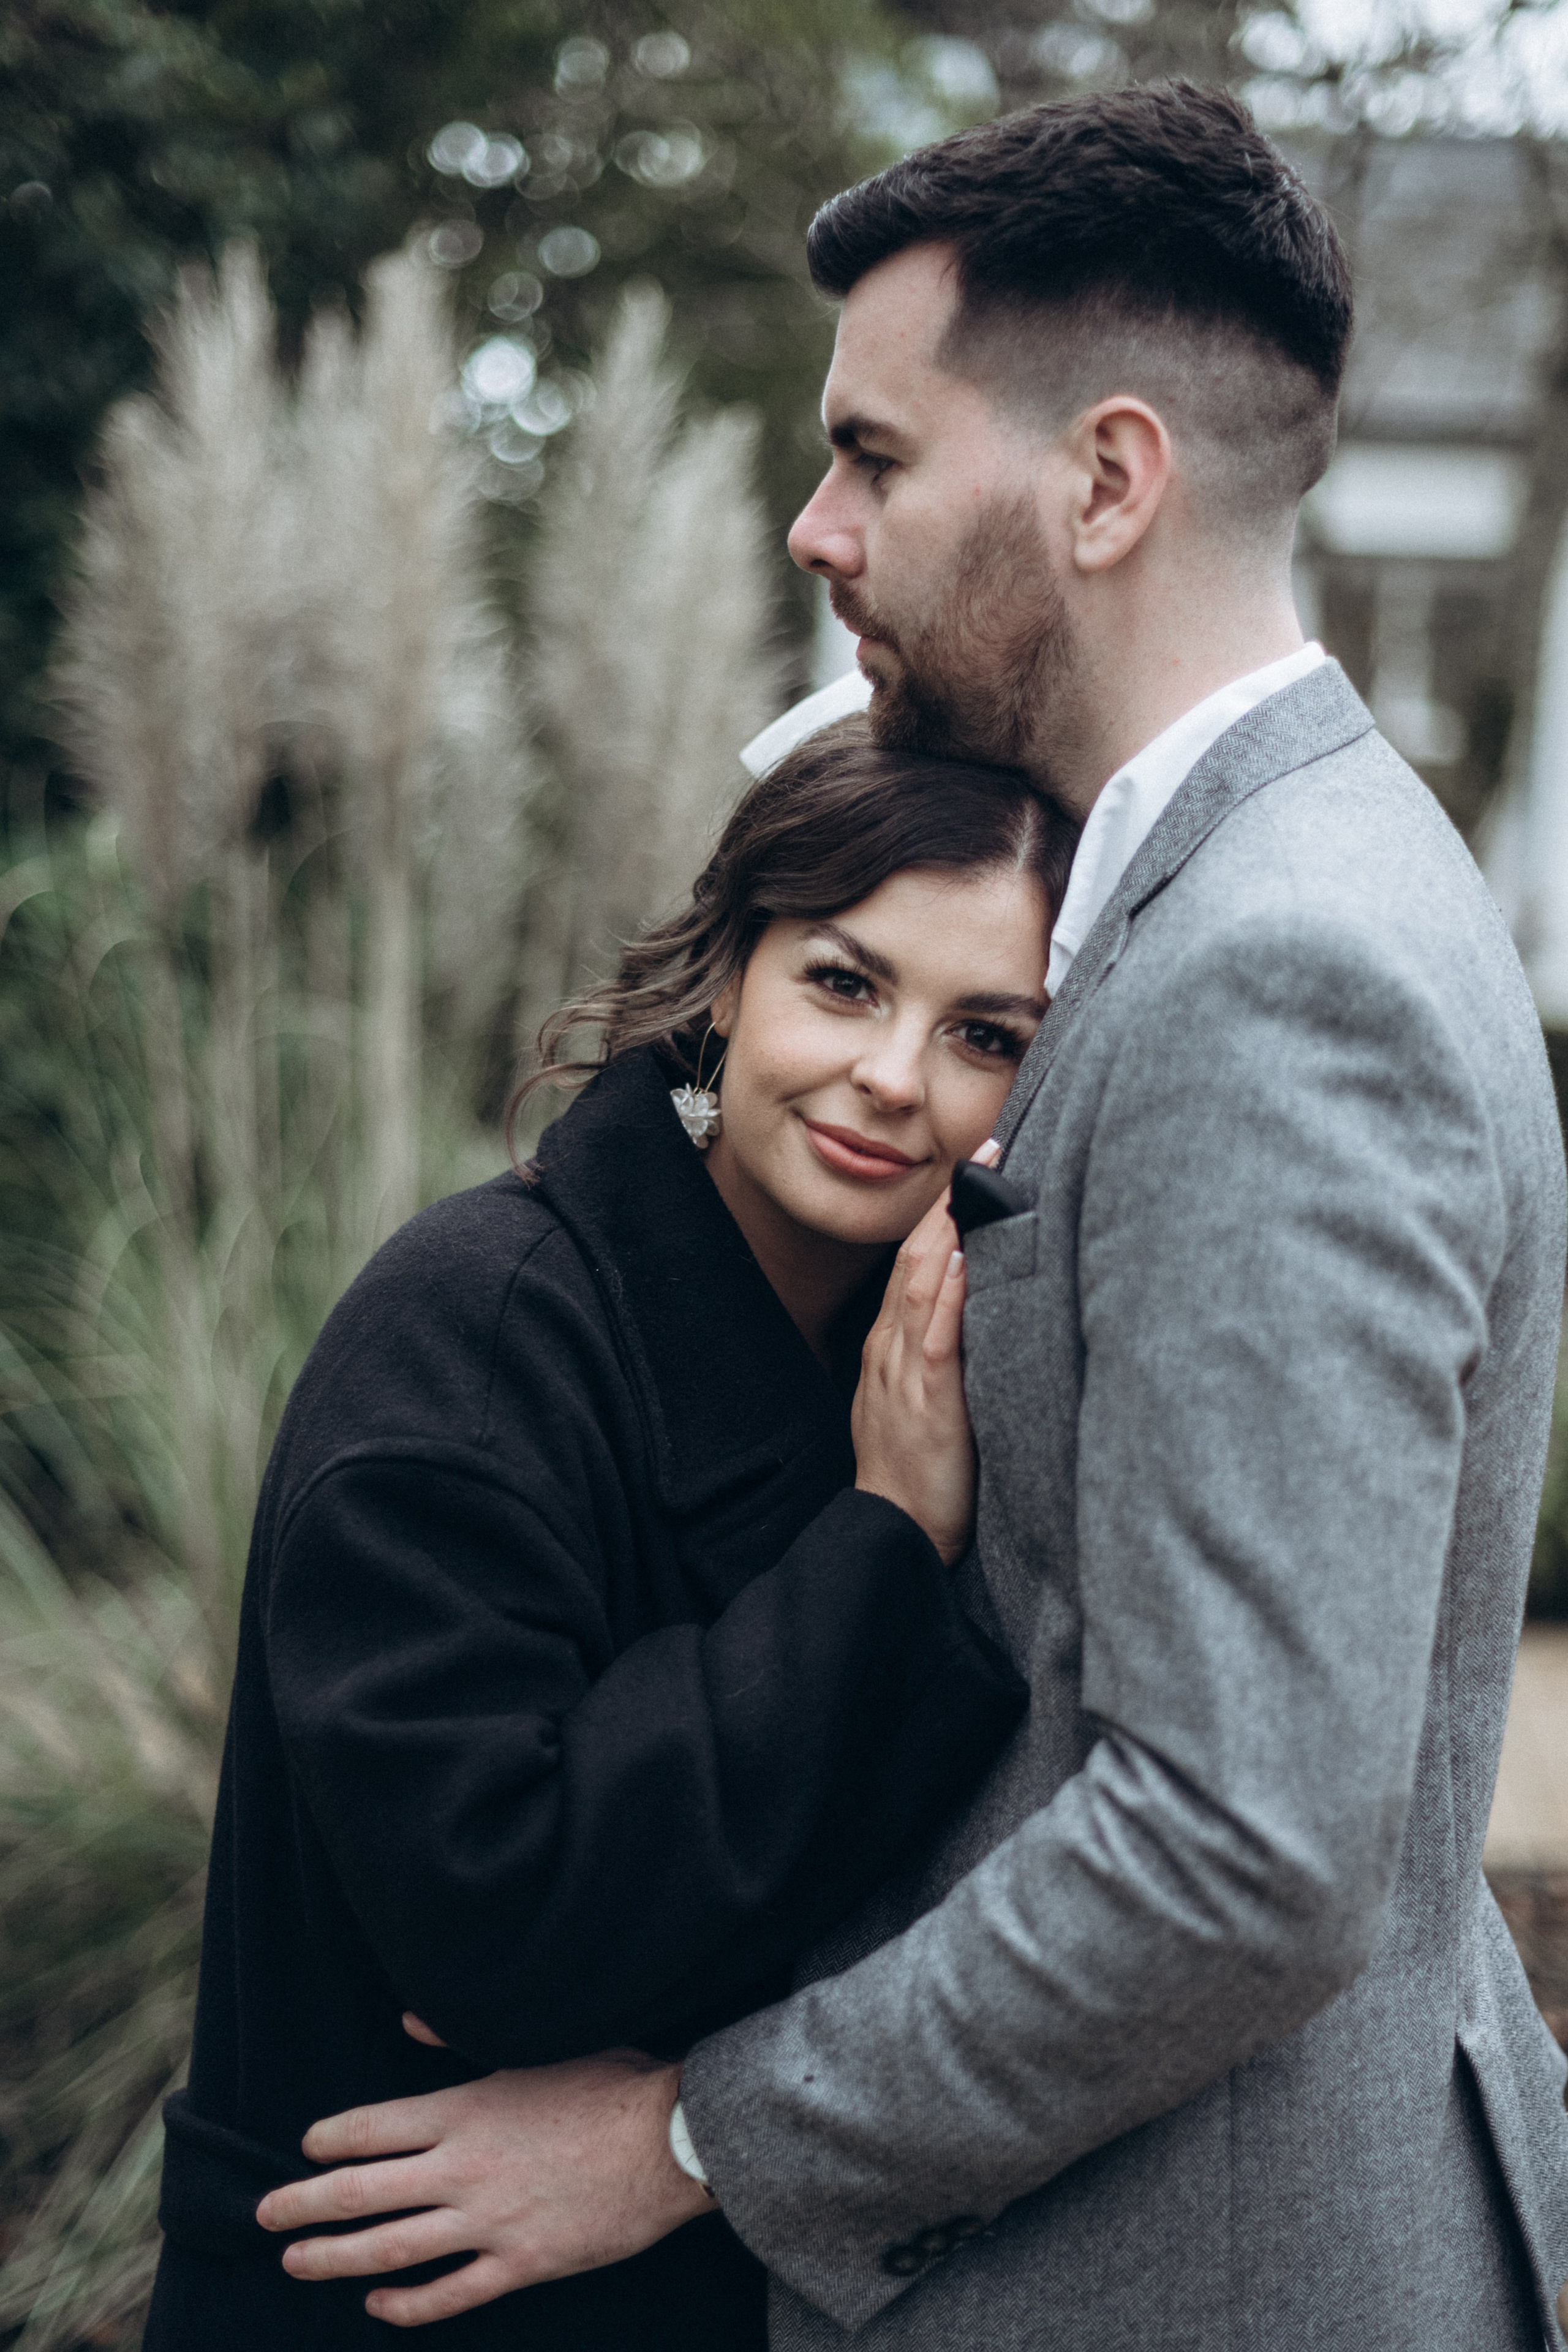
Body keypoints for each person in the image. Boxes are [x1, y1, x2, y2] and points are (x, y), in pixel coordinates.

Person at [258, 79, 1568, 2351]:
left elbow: (1245, 1853)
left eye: (871, 453)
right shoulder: (1262, 882)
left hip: (1197, 2275)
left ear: (1106, 478)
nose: (810, 526)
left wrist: (695, 2136)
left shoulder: (1281, 970)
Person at [142, 723, 1080, 2351]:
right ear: (726, 975)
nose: (894, 1076)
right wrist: (875, 1544)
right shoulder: (477, 1332)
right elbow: (498, 1925)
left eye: (984, 1033)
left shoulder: (941, 1359)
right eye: (845, 983)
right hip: (388, 2287)